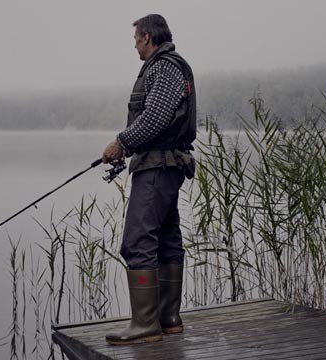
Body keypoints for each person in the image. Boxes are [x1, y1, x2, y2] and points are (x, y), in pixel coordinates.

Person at [101, 13, 196, 345]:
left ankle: (145, 326)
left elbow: (155, 117)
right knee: (167, 240)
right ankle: (169, 320)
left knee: (137, 241)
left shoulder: (164, 66)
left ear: (147, 37)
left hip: (158, 168)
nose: (135, 47)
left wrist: (121, 143)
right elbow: (159, 121)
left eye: (136, 40)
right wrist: (127, 148)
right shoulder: (167, 66)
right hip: (164, 164)